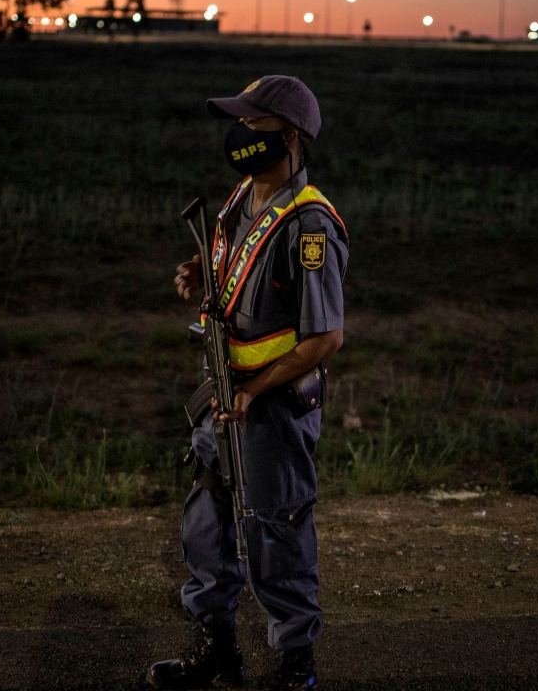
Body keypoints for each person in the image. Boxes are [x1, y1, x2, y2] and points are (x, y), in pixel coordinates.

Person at [148, 75, 348, 691]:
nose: (239, 137)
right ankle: (218, 648)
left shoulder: (309, 225)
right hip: (222, 399)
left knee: (276, 528)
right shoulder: (240, 200)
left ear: (289, 138)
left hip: (271, 406)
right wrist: (196, 274)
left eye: (253, 127)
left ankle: (296, 666)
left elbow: (325, 339)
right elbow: (236, 282)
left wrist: (256, 390)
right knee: (207, 521)